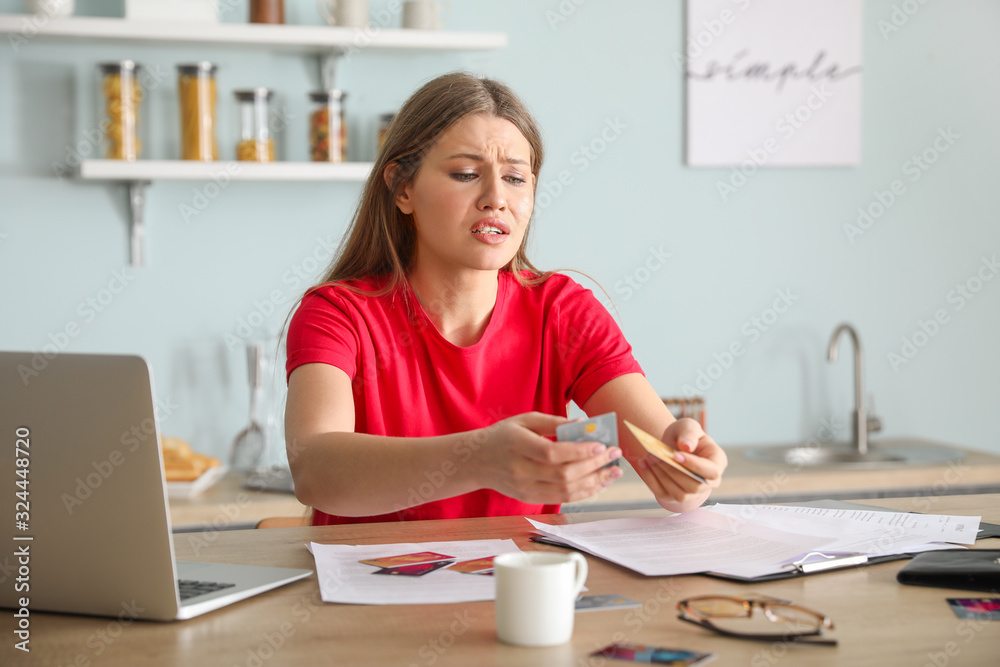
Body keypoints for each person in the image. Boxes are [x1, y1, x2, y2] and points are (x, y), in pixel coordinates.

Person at [284, 72, 727, 526]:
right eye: (465, 174)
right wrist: (477, 458)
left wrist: (688, 468)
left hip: (519, 587)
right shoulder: (337, 313)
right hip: (371, 591)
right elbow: (314, 471)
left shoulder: (563, 311)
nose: (496, 199)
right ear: (402, 188)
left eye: (516, 178)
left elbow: (671, 473)